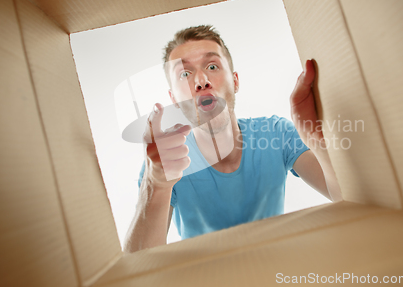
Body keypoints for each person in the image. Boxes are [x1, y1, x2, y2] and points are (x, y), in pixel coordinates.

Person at [123, 25, 342, 252]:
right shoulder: (165, 163)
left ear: (235, 81)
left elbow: (349, 198)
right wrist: (156, 184)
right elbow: (138, 266)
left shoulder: (276, 133)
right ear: (174, 100)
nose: (201, 80)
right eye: (184, 74)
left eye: (212, 66)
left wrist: (318, 143)